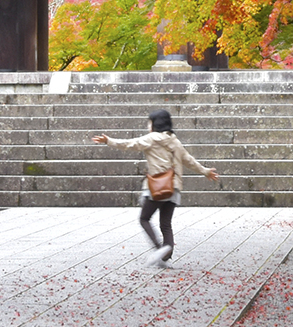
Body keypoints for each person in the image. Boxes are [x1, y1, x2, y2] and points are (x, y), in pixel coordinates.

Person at [93, 109, 220, 266]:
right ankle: (165, 257)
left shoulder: (151, 139)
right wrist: (205, 171)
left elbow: (129, 144)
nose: (148, 125)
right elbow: (189, 160)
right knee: (166, 224)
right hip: (174, 188)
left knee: (144, 218)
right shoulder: (175, 141)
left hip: (157, 188)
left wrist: (108, 141)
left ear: (155, 123)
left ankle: (160, 249)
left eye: (149, 122)